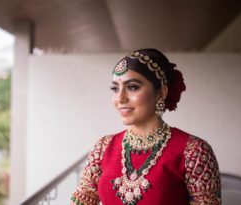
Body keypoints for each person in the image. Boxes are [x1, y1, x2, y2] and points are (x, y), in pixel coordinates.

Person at [70, 49, 221, 205]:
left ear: (161, 93)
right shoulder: (103, 148)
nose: (120, 98)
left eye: (132, 87)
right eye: (115, 89)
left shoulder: (194, 152)